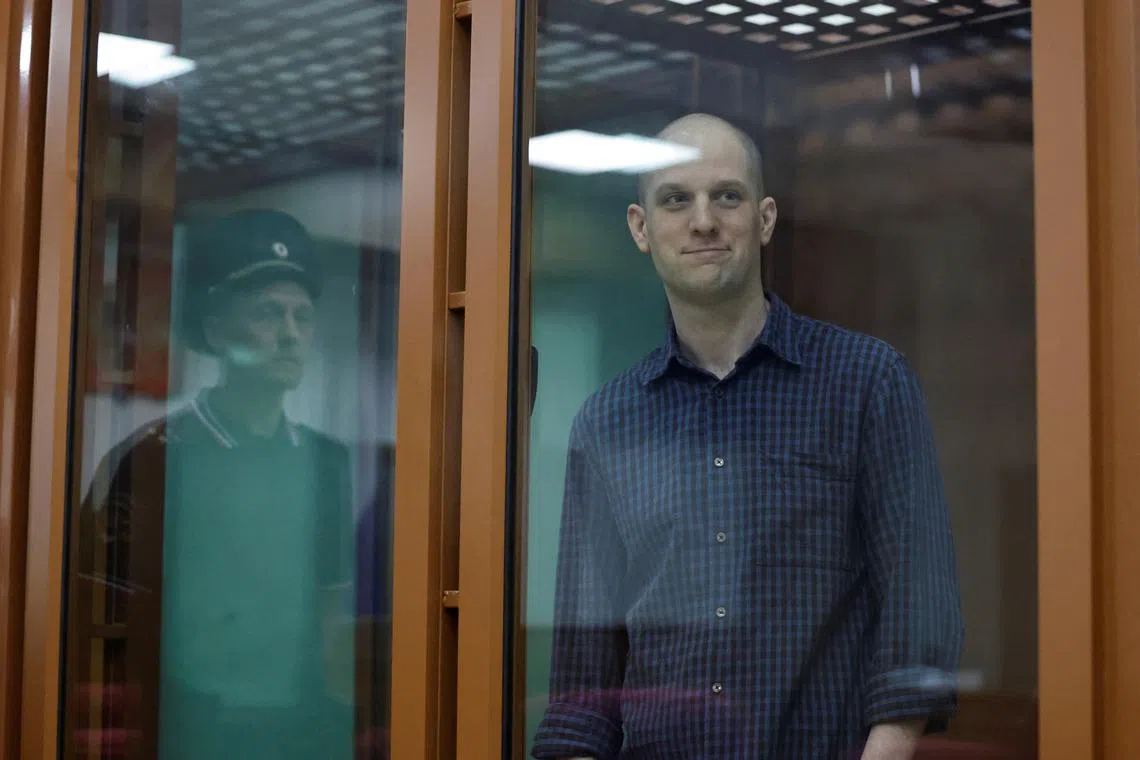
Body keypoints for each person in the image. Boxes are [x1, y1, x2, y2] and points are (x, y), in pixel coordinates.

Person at [531, 114, 964, 760]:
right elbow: (581, 692)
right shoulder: (606, 423)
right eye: (676, 200)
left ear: (763, 219)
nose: (703, 220)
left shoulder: (867, 384)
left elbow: (917, 626)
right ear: (640, 228)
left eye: (725, 196)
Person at [76, 209, 356, 760]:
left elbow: (329, 618)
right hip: (186, 732)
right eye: (268, 314)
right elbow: (106, 632)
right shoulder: (154, 458)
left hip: (300, 733)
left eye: (303, 316)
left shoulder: (327, 461)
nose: (289, 335)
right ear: (214, 329)